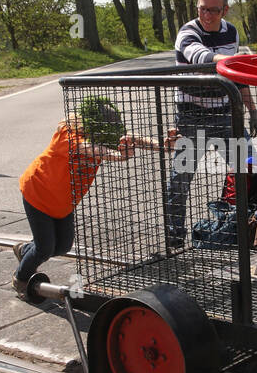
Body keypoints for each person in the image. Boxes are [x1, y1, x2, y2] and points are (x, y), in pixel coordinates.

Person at [15, 96, 175, 298]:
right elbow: (89, 149)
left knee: (63, 245)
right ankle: (20, 279)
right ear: (90, 124)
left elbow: (131, 138)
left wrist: (163, 145)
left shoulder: (101, 137)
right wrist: (119, 156)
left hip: (63, 203)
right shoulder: (67, 135)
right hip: (38, 193)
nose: (111, 133)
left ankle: (25, 250)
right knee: (45, 248)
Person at [164, 0, 257, 250]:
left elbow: (238, 78)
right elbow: (200, 57)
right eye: (202, 9)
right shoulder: (187, 31)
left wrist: (251, 109)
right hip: (192, 118)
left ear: (225, 11)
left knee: (249, 169)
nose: (206, 15)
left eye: (213, 11)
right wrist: (228, 62)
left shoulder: (232, 33)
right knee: (180, 180)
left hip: (227, 115)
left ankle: (246, 229)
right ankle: (175, 239)